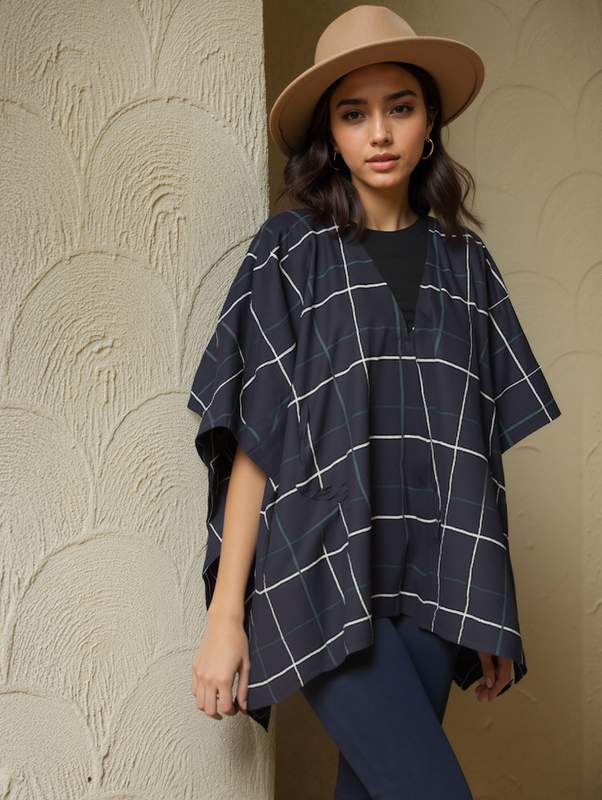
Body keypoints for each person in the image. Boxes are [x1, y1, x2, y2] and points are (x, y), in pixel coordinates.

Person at [188, 6, 559, 799]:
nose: (380, 133)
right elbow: (258, 438)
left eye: (400, 107)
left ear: (429, 124)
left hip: (435, 579)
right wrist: (226, 616)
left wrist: (487, 606)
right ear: (332, 132)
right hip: (317, 570)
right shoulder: (288, 254)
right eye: (354, 114)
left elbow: (477, 450)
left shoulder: (469, 267)